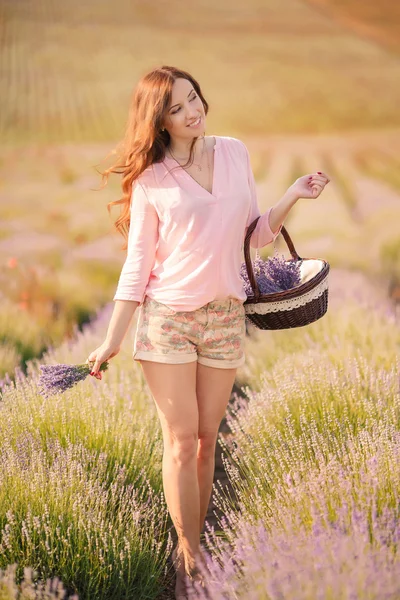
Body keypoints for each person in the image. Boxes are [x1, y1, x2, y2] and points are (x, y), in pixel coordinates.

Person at [87, 65, 330, 598]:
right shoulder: (152, 180)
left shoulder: (234, 152)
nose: (192, 110)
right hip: (168, 319)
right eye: (176, 107)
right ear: (160, 120)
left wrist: (292, 194)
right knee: (179, 440)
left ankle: (192, 545)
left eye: (194, 98)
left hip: (225, 316)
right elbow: (138, 265)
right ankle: (189, 555)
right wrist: (110, 339)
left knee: (204, 444)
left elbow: (255, 234)